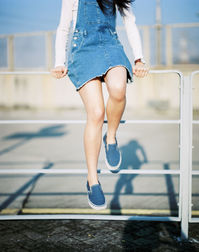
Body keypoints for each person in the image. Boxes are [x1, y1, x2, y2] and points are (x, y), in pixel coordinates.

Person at [51, 0, 149, 210]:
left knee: (118, 89)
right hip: (83, 49)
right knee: (96, 113)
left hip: (111, 45)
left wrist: (139, 58)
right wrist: (59, 61)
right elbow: (63, 27)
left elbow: (130, 22)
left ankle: (111, 137)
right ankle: (92, 180)